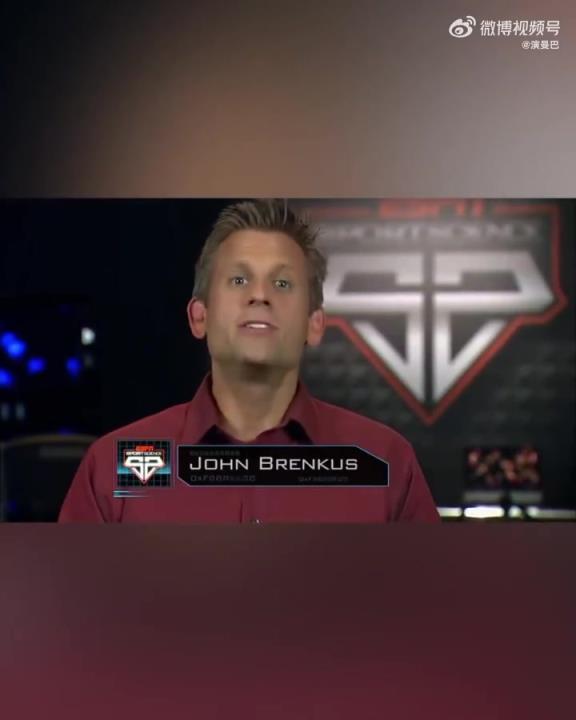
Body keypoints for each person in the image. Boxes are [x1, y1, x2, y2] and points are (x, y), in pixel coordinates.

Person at [59, 199, 439, 523]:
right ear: (199, 316)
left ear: (314, 324)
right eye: (239, 280)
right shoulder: (114, 468)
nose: (260, 295)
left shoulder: (385, 463)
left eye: (282, 283)